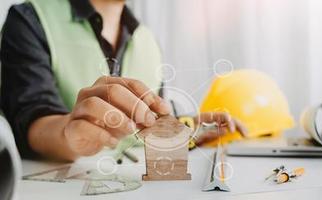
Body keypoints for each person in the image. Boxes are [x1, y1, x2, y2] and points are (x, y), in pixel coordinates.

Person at [0, 0, 246, 161]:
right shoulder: (30, 18)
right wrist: (69, 134)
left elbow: (152, 124)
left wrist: (186, 129)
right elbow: (30, 119)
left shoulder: (147, 38)